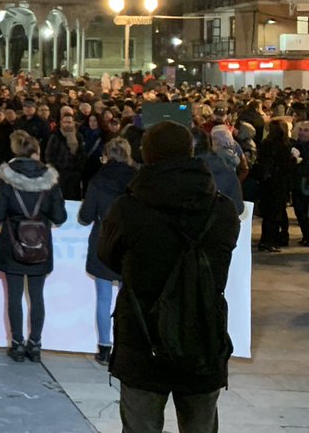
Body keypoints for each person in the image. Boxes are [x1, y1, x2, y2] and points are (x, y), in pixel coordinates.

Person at [99, 121, 240, 433]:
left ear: (147, 155)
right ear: (191, 152)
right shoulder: (222, 210)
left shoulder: (128, 208)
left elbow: (107, 257)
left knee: (140, 426)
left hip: (142, 336)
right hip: (203, 333)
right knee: (200, 425)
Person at [0, 130, 67, 362]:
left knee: (13, 296)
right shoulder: (50, 180)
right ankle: (35, 344)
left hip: (12, 244)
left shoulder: (6, 179)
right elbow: (60, 216)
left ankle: (17, 344)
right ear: (36, 152)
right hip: (40, 245)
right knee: (37, 296)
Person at [78, 137, 137, 366]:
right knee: (126, 299)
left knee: (103, 297)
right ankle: (125, 347)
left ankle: (104, 347)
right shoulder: (137, 179)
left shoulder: (98, 179)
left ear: (106, 155)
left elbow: (85, 217)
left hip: (103, 242)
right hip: (129, 243)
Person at [255, 119, 295, 252]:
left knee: (268, 214)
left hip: (267, 183)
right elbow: (286, 166)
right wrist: (295, 160)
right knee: (275, 213)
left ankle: (265, 240)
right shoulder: (284, 145)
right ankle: (271, 240)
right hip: (279, 183)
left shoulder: (265, 143)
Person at [45, 113, 86, 200]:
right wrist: (55, 168)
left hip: (74, 174)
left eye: (69, 122)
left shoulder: (78, 136)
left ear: (73, 123)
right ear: (61, 123)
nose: (67, 124)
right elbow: (49, 154)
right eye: (65, 122)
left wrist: (78, 168)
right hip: (60, 174)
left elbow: (82, 154)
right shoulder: (55, 136)